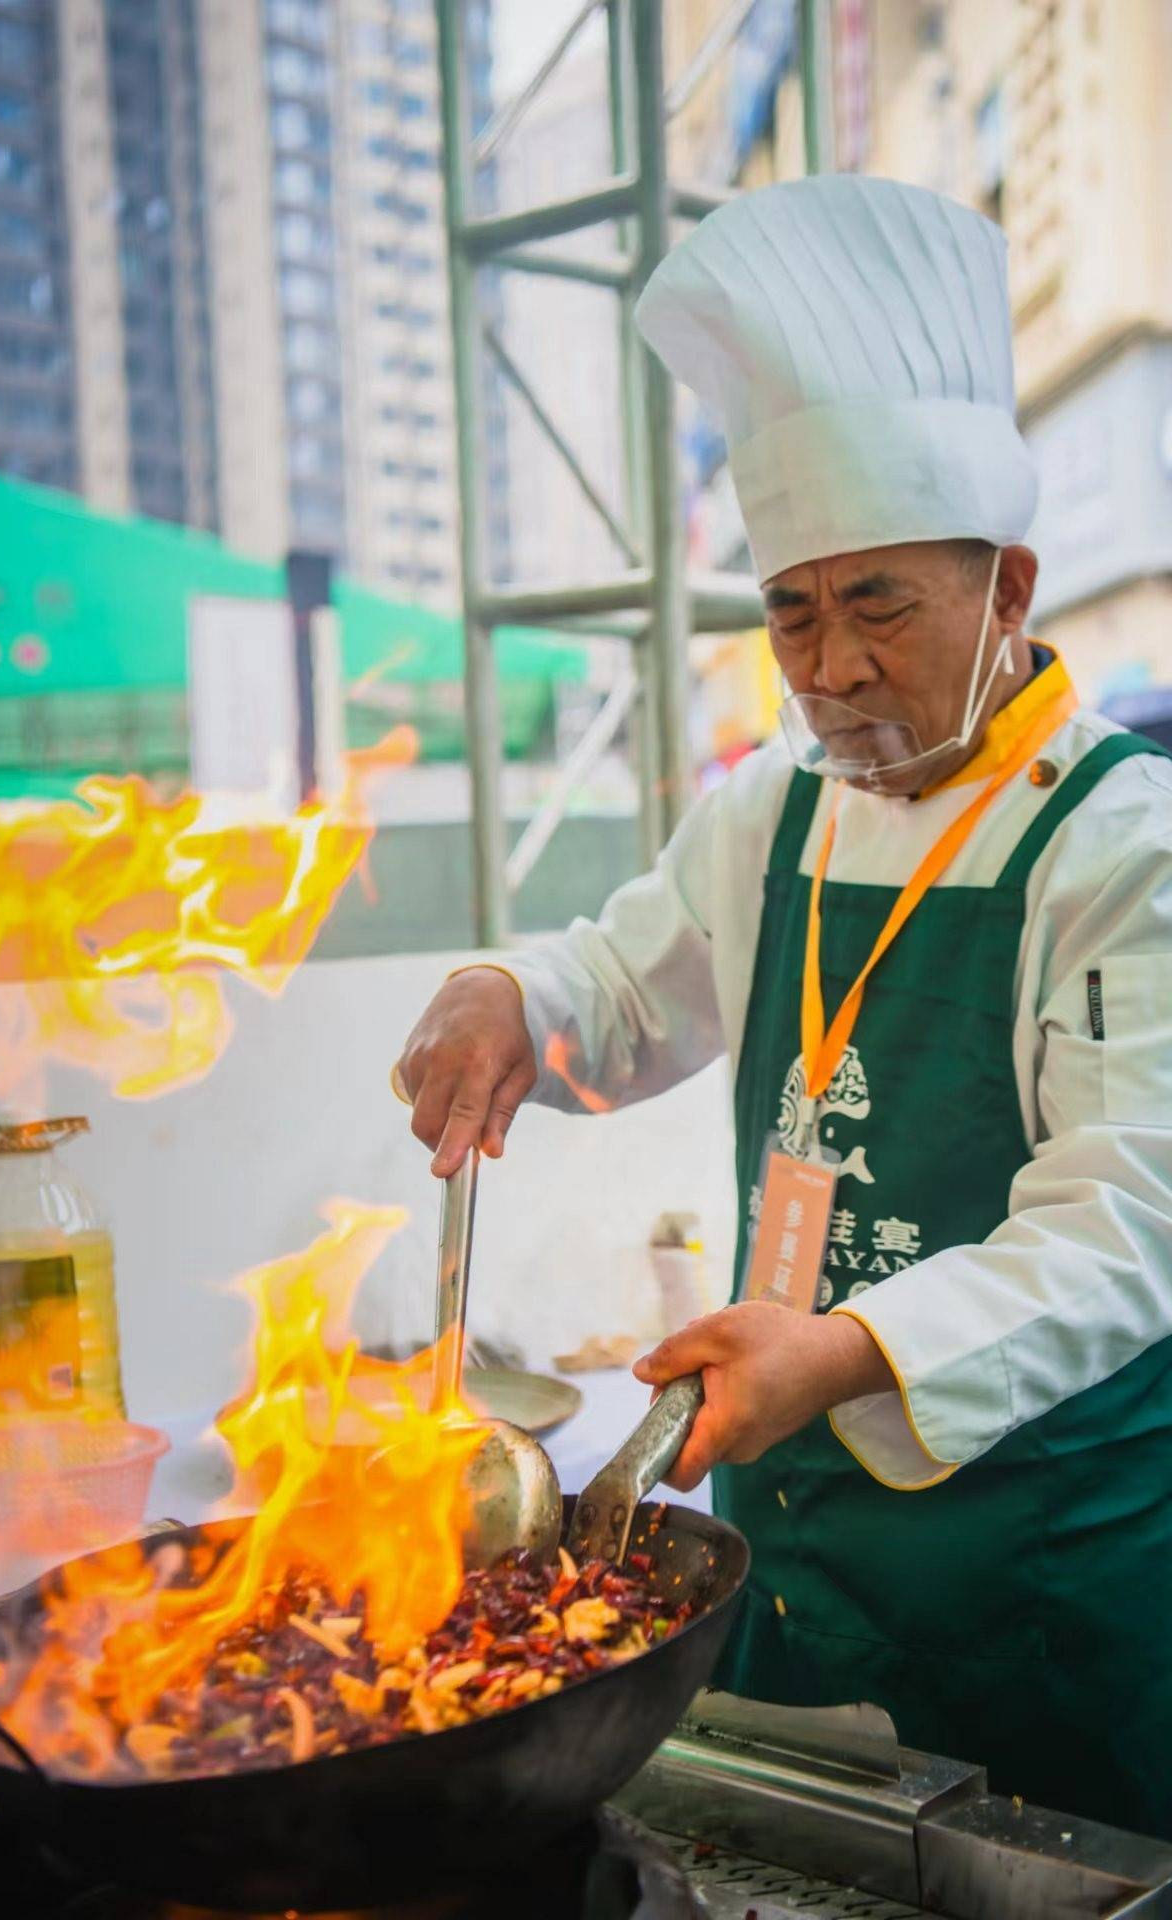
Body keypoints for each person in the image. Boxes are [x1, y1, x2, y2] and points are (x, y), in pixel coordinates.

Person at [395, 176, 1172, 1835]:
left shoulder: (1124, 843)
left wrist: (842, 1348)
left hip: (1040, 1562)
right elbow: (620, 979)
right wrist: (504, 990)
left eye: (878, 603)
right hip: (786, 1530)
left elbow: (1129, 1223)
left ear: (1011, 588)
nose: (826, 669)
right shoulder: (775, 809)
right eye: (792, 614)